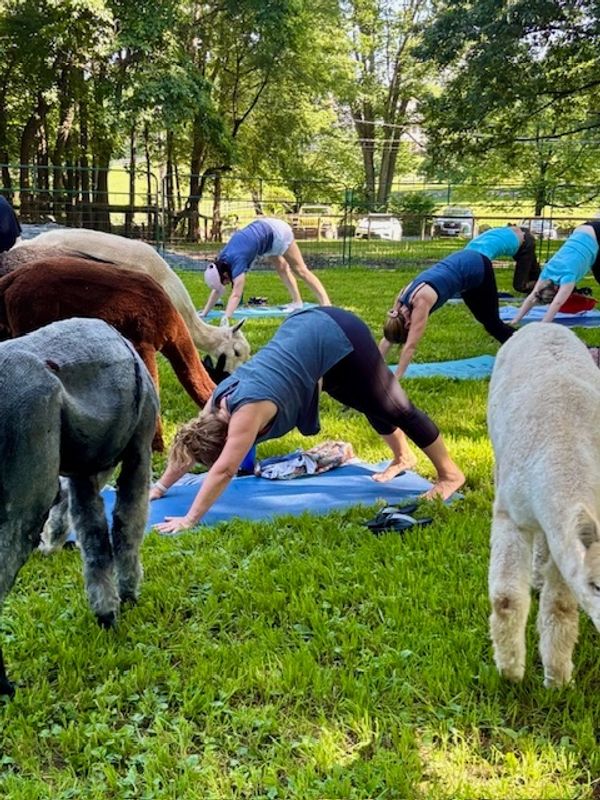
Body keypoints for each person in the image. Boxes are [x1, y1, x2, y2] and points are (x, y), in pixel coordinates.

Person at [151, 306, 465, 534]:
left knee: (394, 406)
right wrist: (161, 486)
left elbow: (224, 469)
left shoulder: (245, 411)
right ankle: (402, 456)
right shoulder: (216, 402)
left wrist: (190, 519)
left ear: (225, 436)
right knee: (366, 399)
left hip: (337, 332)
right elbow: (188, 442)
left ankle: (450, 475)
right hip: (308, 333)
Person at [380, 249, 514, 380]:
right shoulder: (398, 307)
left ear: (408, 324)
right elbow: (389, 337)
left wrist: (396, 379)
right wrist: (373, 368)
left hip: (478, 267)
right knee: (485, 320)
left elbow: (410, 346)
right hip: (462, 265)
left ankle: (521, 345)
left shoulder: (421, 302)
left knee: (492, 324)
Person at [200, 217, 331, 318]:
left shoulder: (237, 260)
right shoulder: (222, 261)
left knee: (300, 269)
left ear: (224, 275)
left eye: (226, 282)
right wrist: (204, 313)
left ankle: (326, 303)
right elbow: (217, 289)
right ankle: (297, 302)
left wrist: (226, 318)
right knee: (281, 267)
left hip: (277, 232)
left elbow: (236, 295)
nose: (227, 284)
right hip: (264, 233)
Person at [511, 222, 600, 325]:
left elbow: (557, 303)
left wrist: (542, 325)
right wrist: (515, 320)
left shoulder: (568, 277)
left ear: (557, 290)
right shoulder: (547, 271)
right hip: (582, 229)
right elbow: (532, 297)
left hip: (596, 234)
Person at [465, 225, 540, 293]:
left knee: (520, 286)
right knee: (534, 271)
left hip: (523, 242)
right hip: (516, 233)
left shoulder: (481, 256)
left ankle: (542, 287)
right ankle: (542, 285)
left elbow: (484, 281)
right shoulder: (469, 251)